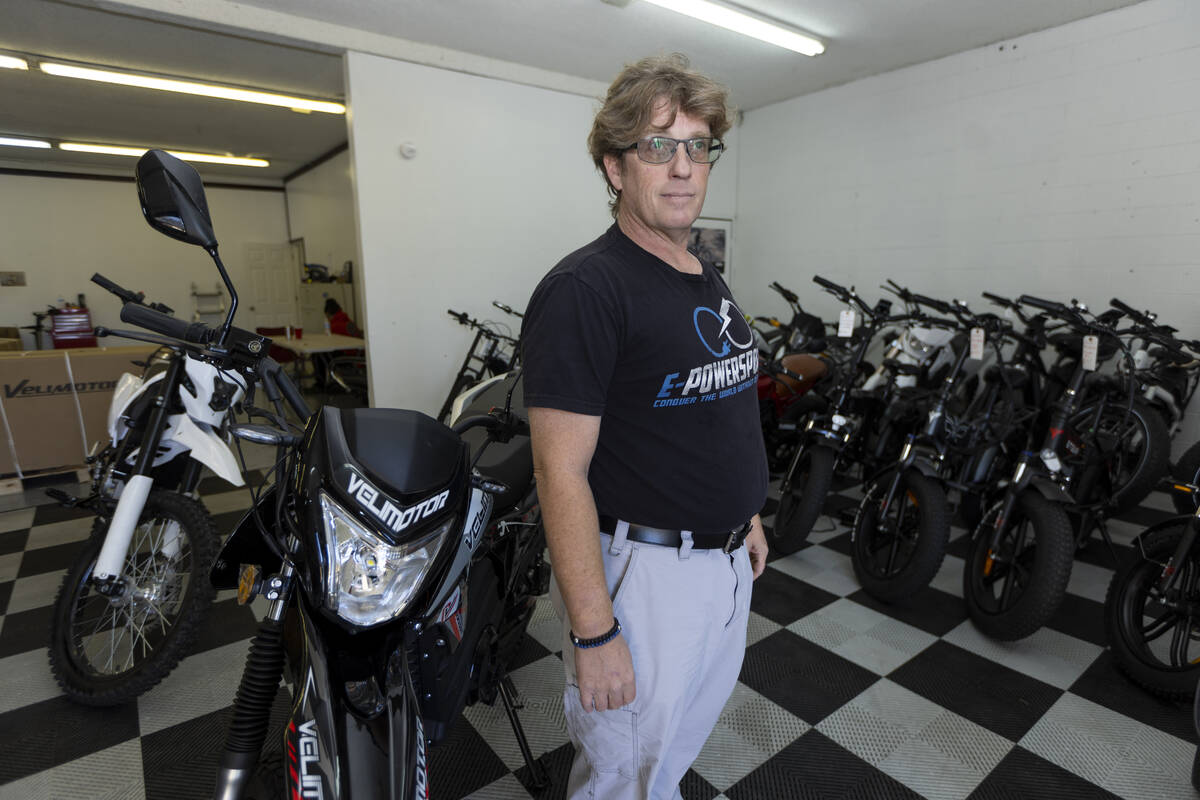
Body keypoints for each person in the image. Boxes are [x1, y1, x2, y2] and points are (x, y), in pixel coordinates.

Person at [521, 53, 769, 800]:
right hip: (648, 579)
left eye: (699, 146)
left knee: (664, 760)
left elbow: (709, 407)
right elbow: (557, 471)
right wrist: (595, 634)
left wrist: (744, 513)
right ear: (614, 166)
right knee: (624, 772)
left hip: (722, 564)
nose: (683, 168)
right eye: (659, 146)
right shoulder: (585, 289)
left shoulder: (699, 270)